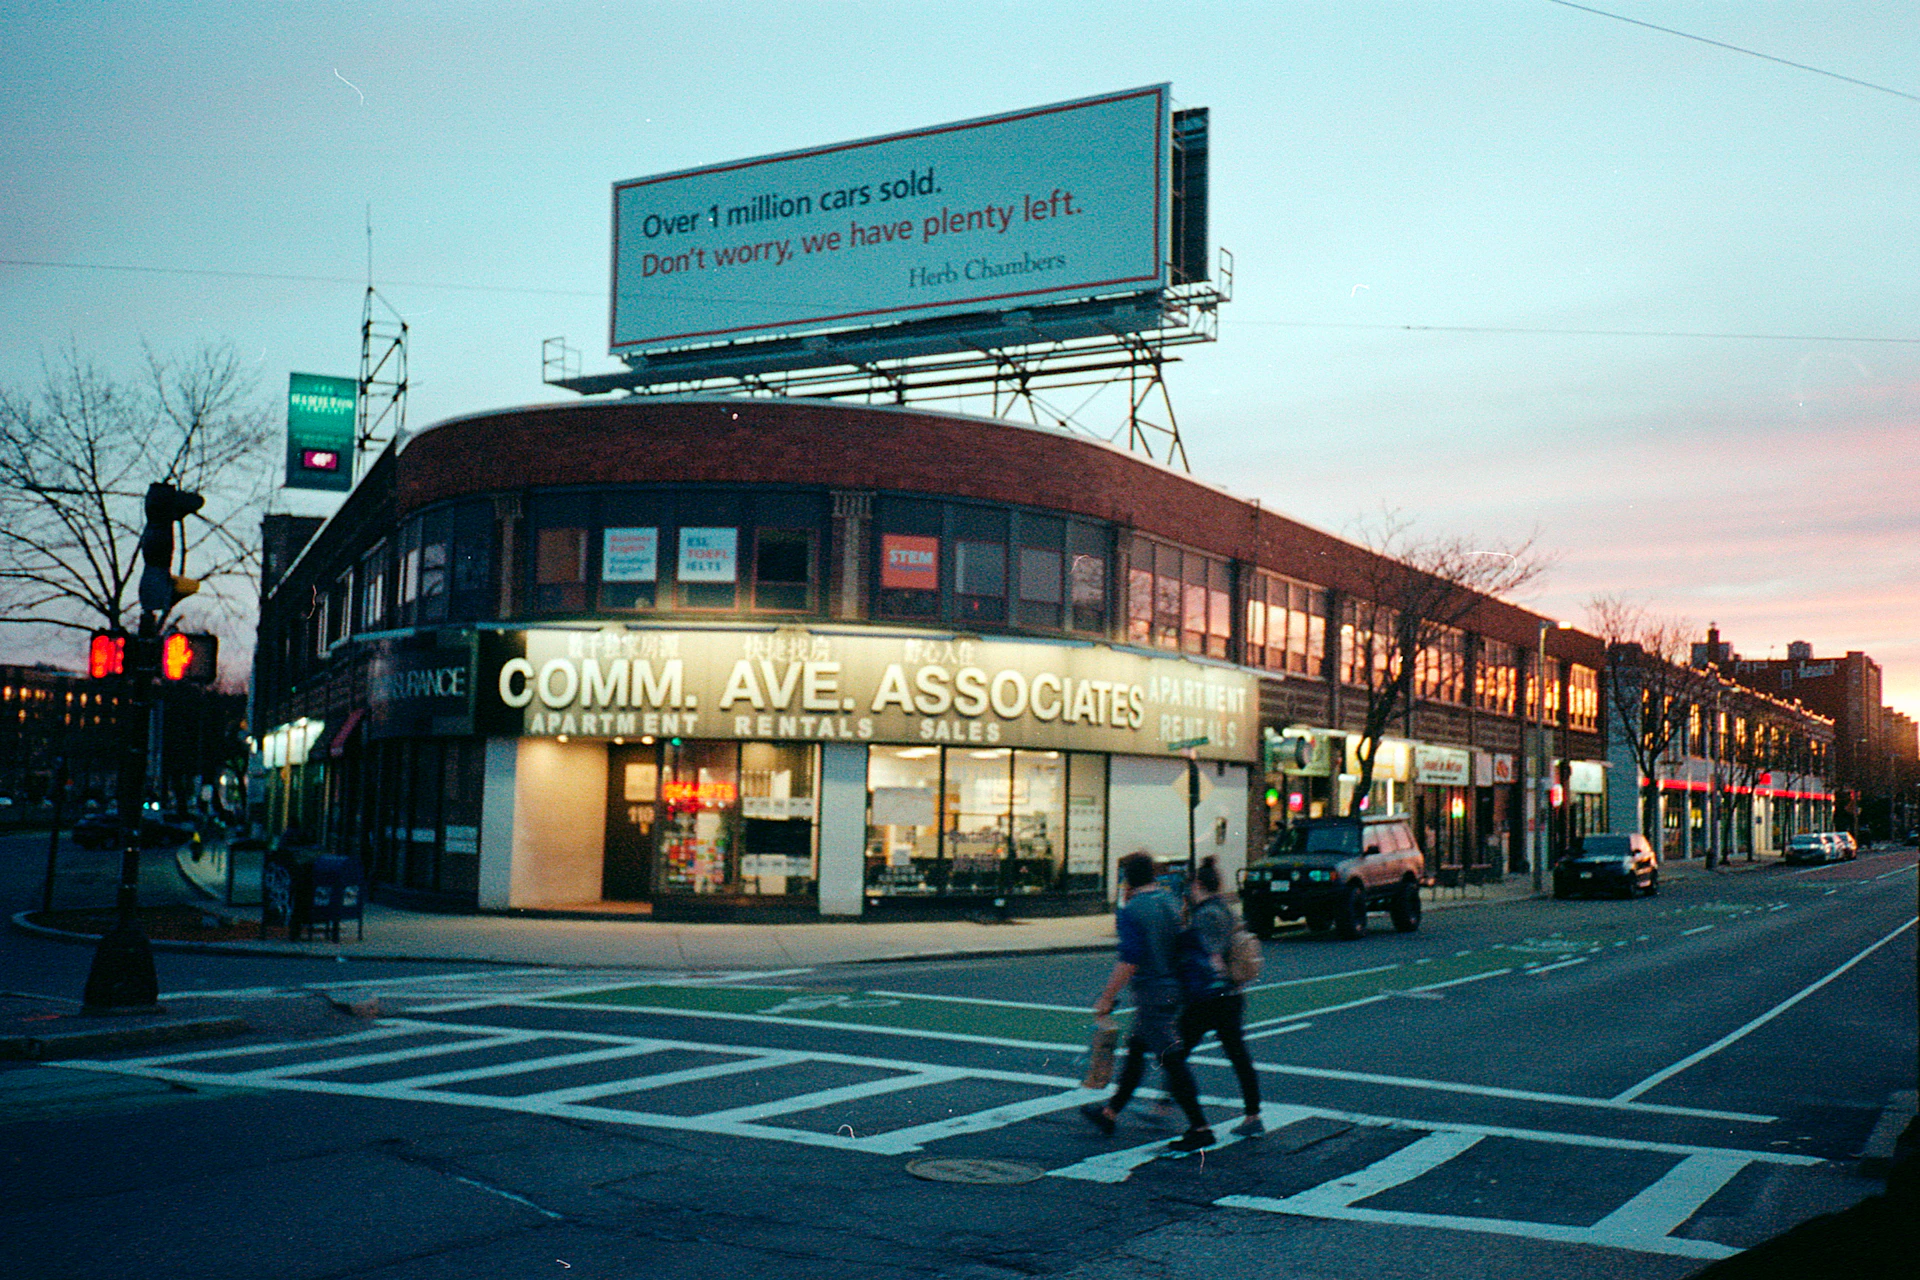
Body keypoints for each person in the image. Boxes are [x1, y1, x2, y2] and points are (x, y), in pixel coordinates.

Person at [1082, 851, 1213, 1151]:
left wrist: (1106, 997)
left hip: (1152, 992)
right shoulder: (1170, 902)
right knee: (1137, 1049)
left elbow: (1129, 960)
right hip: (1173, 988)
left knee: (1172, 1061)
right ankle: (1110, 1112)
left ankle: (1200, 1126)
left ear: (1127, 879)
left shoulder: (1132, 910)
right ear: (1153, 875)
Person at [1167, 855, 1264, 1137]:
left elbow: (1204, 954)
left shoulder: (1207, 914)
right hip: (1230, 995)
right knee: (1237, 1055)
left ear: (1197, 884)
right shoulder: (1225, 907)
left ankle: (1189, 1119)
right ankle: (1252, 1115)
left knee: (1175, 1054)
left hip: (1209, 998)